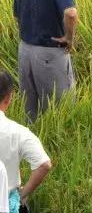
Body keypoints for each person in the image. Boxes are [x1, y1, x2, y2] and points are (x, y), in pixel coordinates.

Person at [12, 0, 77, 122]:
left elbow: (17, 16)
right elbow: (71, 13)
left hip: (25, 51)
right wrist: (68, 38)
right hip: (50, 53)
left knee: (30, 112)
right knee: (59, 112)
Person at [0, 70, 52, 213]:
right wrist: (22, 195)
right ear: (9, 98)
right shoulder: (19, 132)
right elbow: (44, 165)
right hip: (6, 202)